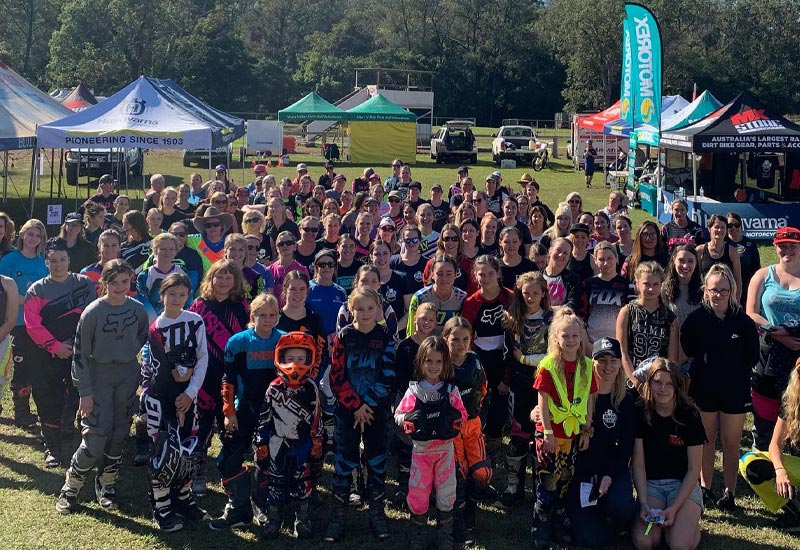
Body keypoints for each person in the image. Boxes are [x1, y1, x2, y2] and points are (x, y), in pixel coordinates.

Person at [55, 259, 148, 514]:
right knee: (95, 438)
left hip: (127, 375)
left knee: (118, 435)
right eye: (114, 282)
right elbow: (80, 354)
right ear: (104, 283)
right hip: (99, 377)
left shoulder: (137, 309)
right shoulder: (93, 312)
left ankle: (106, 484)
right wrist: (84, 392)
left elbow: (142, 338)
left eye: (125, 282)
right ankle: (71, 488)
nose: (120, 287)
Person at [681, 263, 759, 510]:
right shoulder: (695, 320)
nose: (719, 295)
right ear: (705, 290)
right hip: (703, 389)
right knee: (706, 441)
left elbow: (752, 355)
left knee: (731, 443)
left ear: (732, 291)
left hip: (734, 391)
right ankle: (705, 488)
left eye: (724, 290)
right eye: (714, 290)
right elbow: (688, 349)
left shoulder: (743, 322)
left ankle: (729, 492)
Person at [140, 273, 209, 532]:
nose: (176, 299)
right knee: (164, 453)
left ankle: (182, 497)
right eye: (171, 294)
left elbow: (202, 358)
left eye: (182, 295)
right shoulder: (155, 329)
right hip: (161, 399)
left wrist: (190, 394)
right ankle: (161, 505)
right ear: (162, 296)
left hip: (188, 396)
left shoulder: (195, 321)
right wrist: (176, 402)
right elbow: (157, 371)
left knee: (189, 449)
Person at [326, 287, 395, 542]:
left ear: (378, 309)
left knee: (377, 458)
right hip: (348, 411)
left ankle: (377, 513)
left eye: (370, 308)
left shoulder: (386, 337)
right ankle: (339, 515)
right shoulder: (343, 337)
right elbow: (336, 376)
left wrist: (368, 404)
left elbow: (389, 375)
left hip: (376, 410)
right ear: (350, 309)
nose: (365, 313)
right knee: (344, 459)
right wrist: (356, 406)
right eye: (359, 308)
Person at [210, 293, 284, 531]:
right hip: (244, 409)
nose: (268, 319)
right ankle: (239, 509)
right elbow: (228, 379)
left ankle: (265, 507)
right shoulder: (238, 342)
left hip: (275, 411)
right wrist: (228, 412)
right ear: (252, 316)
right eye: (262, 314)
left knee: (269, 460)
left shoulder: (285, 340)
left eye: (272, 314)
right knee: (227, 461)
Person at [24, 237, 96, 468]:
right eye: (53, 261)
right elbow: (32, 325)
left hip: (79, 352)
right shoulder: (37, 289)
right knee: (47, 398)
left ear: (69, 259)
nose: (58, 265)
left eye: (62, 259)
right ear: (46, 262)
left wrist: (75, 346)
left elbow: (92, 317)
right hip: (47, 355)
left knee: (78, 395)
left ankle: (75, 432)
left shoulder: (85, 284)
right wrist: (55, 347)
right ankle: (52, 447)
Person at [531, 309, 597, 550]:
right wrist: (547, 432)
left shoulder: (587, 365)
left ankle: (558, 522)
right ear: (556, 338)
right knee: (547, 479)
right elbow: (542, 399)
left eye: (575, 336)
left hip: (572, 433)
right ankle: (540, 525)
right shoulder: (548, 365)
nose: (570, 340)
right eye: (565, 336)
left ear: (581, 338)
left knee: (564, 478)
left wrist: (587, 430)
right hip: (550, 432)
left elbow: (589, 399)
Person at [395, 336, 467, 550]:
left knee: (447, 492)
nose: (433, 366)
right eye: (429, 361)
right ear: (420, 362)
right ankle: (418, 534)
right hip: (421, 453)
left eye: (438, 361)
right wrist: (409, 420)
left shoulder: (451, 391)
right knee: (418, 493)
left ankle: (445, 534)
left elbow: (463, 415)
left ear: (445, 363)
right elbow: (398, 414)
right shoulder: (414, 391)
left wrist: (452, 420)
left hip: (445, 451)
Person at [565, 337, 636, 548]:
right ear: (592, 362)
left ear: (620, 363)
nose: (608, 366)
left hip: (611, 471)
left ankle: (614, 515)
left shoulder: (626, 400)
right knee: (593, 540)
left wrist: (609, 476)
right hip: (581, 475)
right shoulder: (578, 395)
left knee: (622, 506)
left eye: (613, 360)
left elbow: (626, 448)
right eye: (602, 360)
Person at [253, 331, 324, 540]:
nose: (295, 364)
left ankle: (302, 520)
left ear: (310, 359)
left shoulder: (311, 388)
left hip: (302, 444)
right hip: (278, 444)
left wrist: (317, 441)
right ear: (280, 358)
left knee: (303, 481)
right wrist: (261, 442)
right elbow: (264, 418)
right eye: (290, 358)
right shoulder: (273, 388)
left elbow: (317, 417)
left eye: (301, 359)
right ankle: (273, 519)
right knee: (275, 481)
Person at [188, 260, 249, 496]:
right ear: (210, 279)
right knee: (200, 426)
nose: (223, 281)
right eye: (218, 276)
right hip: (203, 374)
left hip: (231, 376)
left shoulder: (242, 307)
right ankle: (197, 471)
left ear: (236, 281)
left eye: (228, 277)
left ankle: (230, 473)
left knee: (230, 427)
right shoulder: (199, 305)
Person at [631, 358, 706, 550]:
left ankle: (688, 526)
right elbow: (638, 464)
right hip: (652, 486)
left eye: (669, 384)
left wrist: (674, 508)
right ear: (649, 383)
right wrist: (643, 502)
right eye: (657, 382)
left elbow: (694, 469)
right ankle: (668, 527)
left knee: (679, 544)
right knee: (645, 541)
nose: (663, 388)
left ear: (677, 387)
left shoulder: (690, 415)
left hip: (682, 486)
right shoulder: (640, 411)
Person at [499, 272, 552, 509]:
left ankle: (542, 490)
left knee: (542, 435)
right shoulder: (512, 319)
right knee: (518, 435)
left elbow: (553, 355)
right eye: (526, 293)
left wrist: (527, 359)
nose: (530, 297)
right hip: (520, 384)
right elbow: (510, 355)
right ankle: (514, 487)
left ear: (543, 293)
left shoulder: (552, 319)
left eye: (535, 292)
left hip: (546, 384)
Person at [746, 226, 800, 451]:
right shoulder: (763, 275)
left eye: (792, 246)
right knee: (765, 416)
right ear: (774, 247)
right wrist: (776, 332)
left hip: (798, 358)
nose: (787, 250)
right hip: (769, 354)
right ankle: (763, 459)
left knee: (796, 414)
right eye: (782, 246)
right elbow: (750, 313)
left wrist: (791, 334)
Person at [443, 317, 491, 545]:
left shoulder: (475, 361)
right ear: (446, 339)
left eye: (465, 339)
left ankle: (472, 505)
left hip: (473, 425)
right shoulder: (440, 364)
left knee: (482, 473)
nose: (461, 344)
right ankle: (458, 522)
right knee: (458, 475)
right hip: (452, 430)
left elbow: (484, 389)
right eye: (455, 339)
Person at [461, 254, 512, 465]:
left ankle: (493, 442)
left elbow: (515, 335)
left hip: (505, 357)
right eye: (481, 274)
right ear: (475, 276)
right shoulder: (471, 302)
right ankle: (474, 442)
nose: (486, 278)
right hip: (481, 357)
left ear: (498, 273)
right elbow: (467, 336)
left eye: (491, 273)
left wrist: (507, 376)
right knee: (477, 400)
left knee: (500, 398)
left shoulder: (510, 298)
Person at [740, 356, 800, 531]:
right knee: (749, 463)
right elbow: (775, 445)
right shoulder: (791, 403)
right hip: (796, 467)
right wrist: (780, 471)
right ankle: (795, 511)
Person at [0, 219, 46, 428]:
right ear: (21, 234)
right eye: (30, 234)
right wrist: (26, 300)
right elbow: (4, 290)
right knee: (20, 368)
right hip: (16, 322)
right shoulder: (10, 259)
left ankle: (41, 410)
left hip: (39, 323)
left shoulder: (44, 261)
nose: (33, 238)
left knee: (38, 367)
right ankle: (21, 412)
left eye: (38, 235)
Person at [391, 302, 438, 506]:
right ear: (414, 318)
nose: (426, 322)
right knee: (406, 445)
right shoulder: (405, 346)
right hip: (408, 401)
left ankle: (427, 487)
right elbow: (398, 378)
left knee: (427, 446)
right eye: (423, 318)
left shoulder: (438, 346)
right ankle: (404, 487)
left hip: (432, 403)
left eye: (431, 319)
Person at [617, 262, 679, 385]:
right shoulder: (627, 312)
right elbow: (622, 352)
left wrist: (660, 383)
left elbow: (672, 359)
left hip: (659, 383)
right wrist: (635, 382)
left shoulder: (670, 318)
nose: (651, 289)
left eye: (655, 284)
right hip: (630, 380)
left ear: (661, 284)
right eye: (646, 284)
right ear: (637, 284)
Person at [580, 241, 631, 343]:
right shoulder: (588, 284)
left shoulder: (627, 285)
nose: (606, 263)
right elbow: (581, 314)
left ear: (616, 258)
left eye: (609, 258)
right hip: (592, 341)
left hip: (618, 341)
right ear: (595, 260)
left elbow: (631, 316)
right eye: (601, 259)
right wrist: (586, 342)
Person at [407, 254, 467, 336]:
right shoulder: (419, 298)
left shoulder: (462, 298)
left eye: (449, 274)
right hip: (424, 342)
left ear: (455, 274)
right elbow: (411, 330)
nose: (444, 278)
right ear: (432, 274)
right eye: (439, 274)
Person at [137, 233, 188, 322]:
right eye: (163, 249)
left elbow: (188, 300)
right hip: (153, 322)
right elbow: (143, 303)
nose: (167, 253)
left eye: (171, 249)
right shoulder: (145, 276)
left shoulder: (182, 273)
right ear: (155, 250)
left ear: (176, 251)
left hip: (178, 321)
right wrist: (156, 323)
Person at [697, 215, 743, 302]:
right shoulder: (700, 251)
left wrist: (736, 301)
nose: (720, 230)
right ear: (709, 229)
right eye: (716, 227)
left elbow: (738, 280)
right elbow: (697, 277)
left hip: (726, 298)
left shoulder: (733, 252)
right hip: (705, 298)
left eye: (723, 227)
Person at [726, 211, 760, 307]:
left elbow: (756, 267)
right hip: (727, 286)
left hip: (747, 286)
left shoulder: (750, 244)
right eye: (730, 225)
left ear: (741, 226)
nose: (733, 228)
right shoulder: (723, 243)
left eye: (736, 225)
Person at [268, 230, 309, 307]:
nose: (285, 246)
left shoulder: (302, 270)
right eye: (281, 244)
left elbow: (306, 294)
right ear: (277, 248)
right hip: (274, 312)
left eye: (288, 243)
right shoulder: (269, 270)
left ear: (294, 246)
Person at [542, 237, 581, 312]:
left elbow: (573, 305)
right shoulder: (537, 276)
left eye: (565, 253)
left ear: (569, 257)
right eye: (558, 250)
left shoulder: (573, 279)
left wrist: (548, 310)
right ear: (550, 250)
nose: (560, 255)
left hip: (560, 318)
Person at [391, 225, 428, 295]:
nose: (411, 243)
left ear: (420, 240)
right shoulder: (393, 263)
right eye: (407, 240)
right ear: (403, 241)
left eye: (415, 240)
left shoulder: (427, 263)